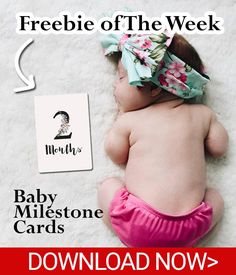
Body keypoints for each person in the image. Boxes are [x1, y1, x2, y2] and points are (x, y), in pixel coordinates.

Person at [98, 32, 228, 247]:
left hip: (139, 223)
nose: (114, 85)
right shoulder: (202, 114)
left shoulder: (131, 120)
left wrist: (120, 117)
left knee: (108, 186)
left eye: (122, 77)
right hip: (190, 227)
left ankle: (128, 237)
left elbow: (116, 153)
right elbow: (219, 148)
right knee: (216, 199)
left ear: (155, 88)